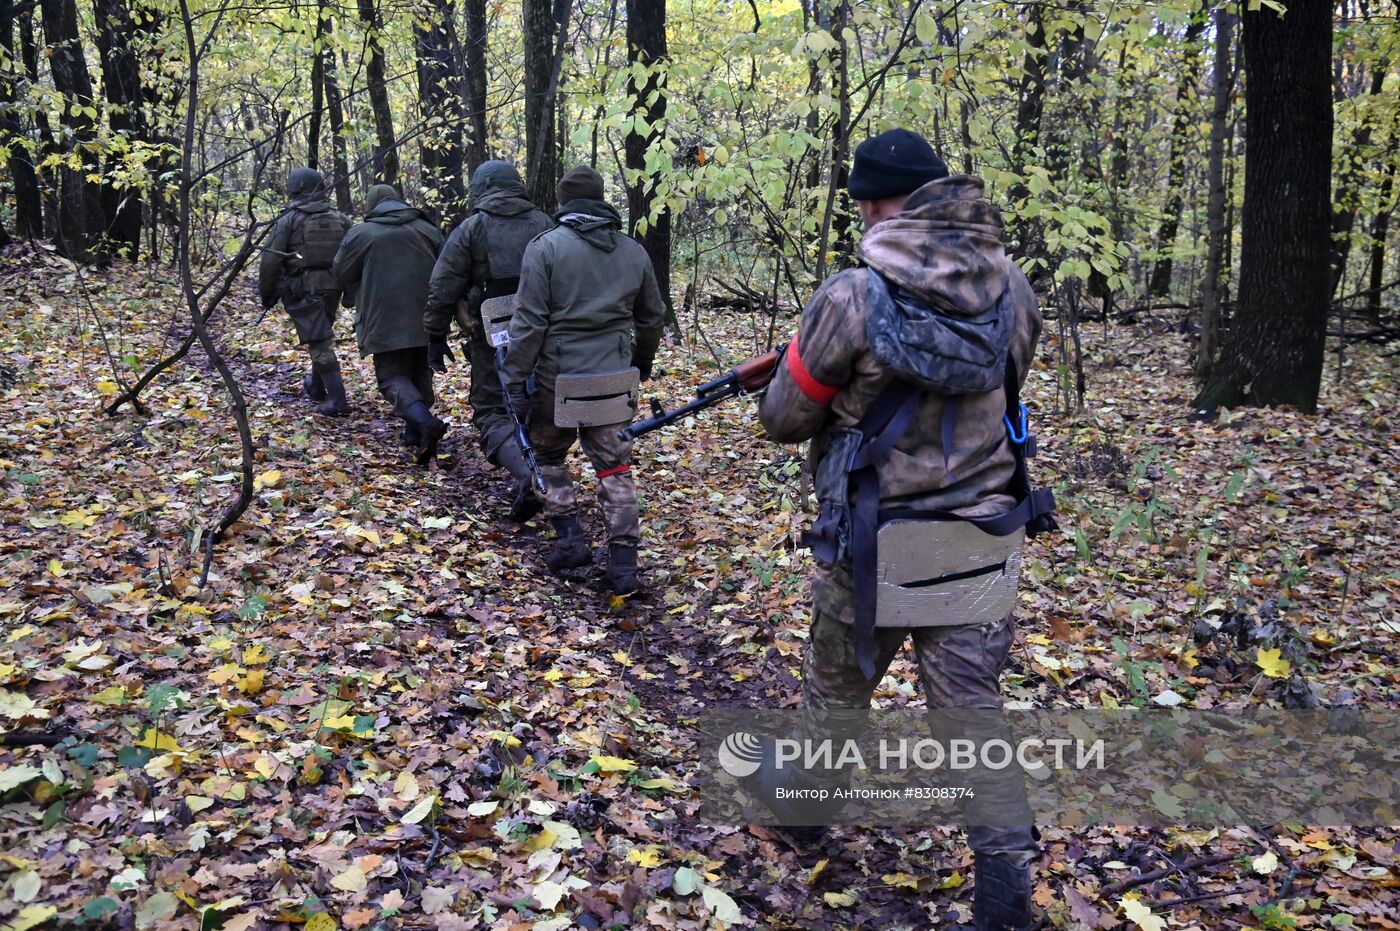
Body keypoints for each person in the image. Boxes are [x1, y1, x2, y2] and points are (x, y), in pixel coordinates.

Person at [751, 129, 1053, 930]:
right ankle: (1004, 891)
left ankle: (808, 817)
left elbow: (784, 416)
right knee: (971, 718)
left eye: (862, 199)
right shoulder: (1015, 287)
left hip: (876, 538)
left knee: (837, 691)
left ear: (884, 203)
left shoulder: (853, 295)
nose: (859, 212)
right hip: (983, 535)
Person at [501, 166, 666, 594]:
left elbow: (529, 322)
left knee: (548, 456)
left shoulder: (546, 248)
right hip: (615, 377)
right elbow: (651, 317)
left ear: (562, 203)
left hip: (560, 379)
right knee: (615, 467)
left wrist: (515, 378)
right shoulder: (633, 251)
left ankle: (571, 540)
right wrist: (641, 363)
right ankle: (624, 566)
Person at [423, 162, 553, 516]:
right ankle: (539, 473)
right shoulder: (544, 224)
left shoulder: (472, 228)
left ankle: (527, 473)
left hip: (491, 337)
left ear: (480, 187)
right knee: (534, 405)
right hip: (541, 332)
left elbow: (443, 284)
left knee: (494, 409)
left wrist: (435, 333)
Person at [332, 185, 447, 464]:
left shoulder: (362, 234)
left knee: (391, 376)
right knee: (420, 368)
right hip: (429, 314)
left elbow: (339, 270)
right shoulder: (428, 229)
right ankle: (415, 433)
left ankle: (424, 422)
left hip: (384, 317)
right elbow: (449, 268)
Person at [258, 167, 352, 416]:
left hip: (304, 288)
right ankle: (317, 388)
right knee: (320, 336)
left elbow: (270, 260)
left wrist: (266, 294)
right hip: (334, 287)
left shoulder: (289, 219)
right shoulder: (340, 218)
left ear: (295, 190)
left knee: (319, 343)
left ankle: (338, 401)